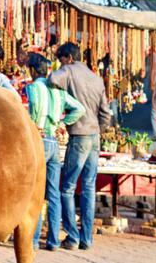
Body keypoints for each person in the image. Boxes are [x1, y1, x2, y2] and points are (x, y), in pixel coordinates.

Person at [48, 42, 112, 251]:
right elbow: (105, 113)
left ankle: (73, 237)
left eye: (60, 60)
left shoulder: (68, 70)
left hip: (80, 135)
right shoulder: (95, 77)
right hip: (95, 136)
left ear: (67, 58)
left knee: (67, 188)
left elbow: (51, 79)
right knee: (88, 188)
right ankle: (87, 238)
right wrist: (98, 129)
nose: (60, 64)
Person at [25, 53, 86, 251]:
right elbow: (79, 109)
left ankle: (33, 241)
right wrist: (61, 122)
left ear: (33, 71)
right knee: (53, 194)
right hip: (53, 143)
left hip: (39, 141)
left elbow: (33, 111)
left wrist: (32, 124)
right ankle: (53, 241)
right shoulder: (58, 91)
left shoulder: (34, 87)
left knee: (36, 193)